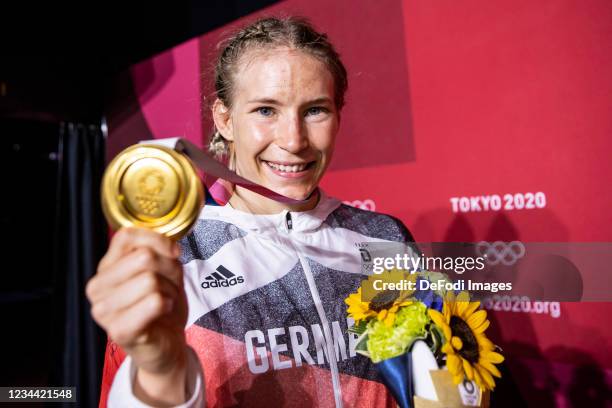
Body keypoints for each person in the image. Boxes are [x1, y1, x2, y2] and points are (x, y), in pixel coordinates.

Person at [87, 16, 415, 407]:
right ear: (224, 119)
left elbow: (437, 379)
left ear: (339, 115)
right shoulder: (176, 256)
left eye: (315, 111)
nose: (293, 140)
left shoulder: (385, 237)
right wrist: (159, 370)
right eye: (265, 110)